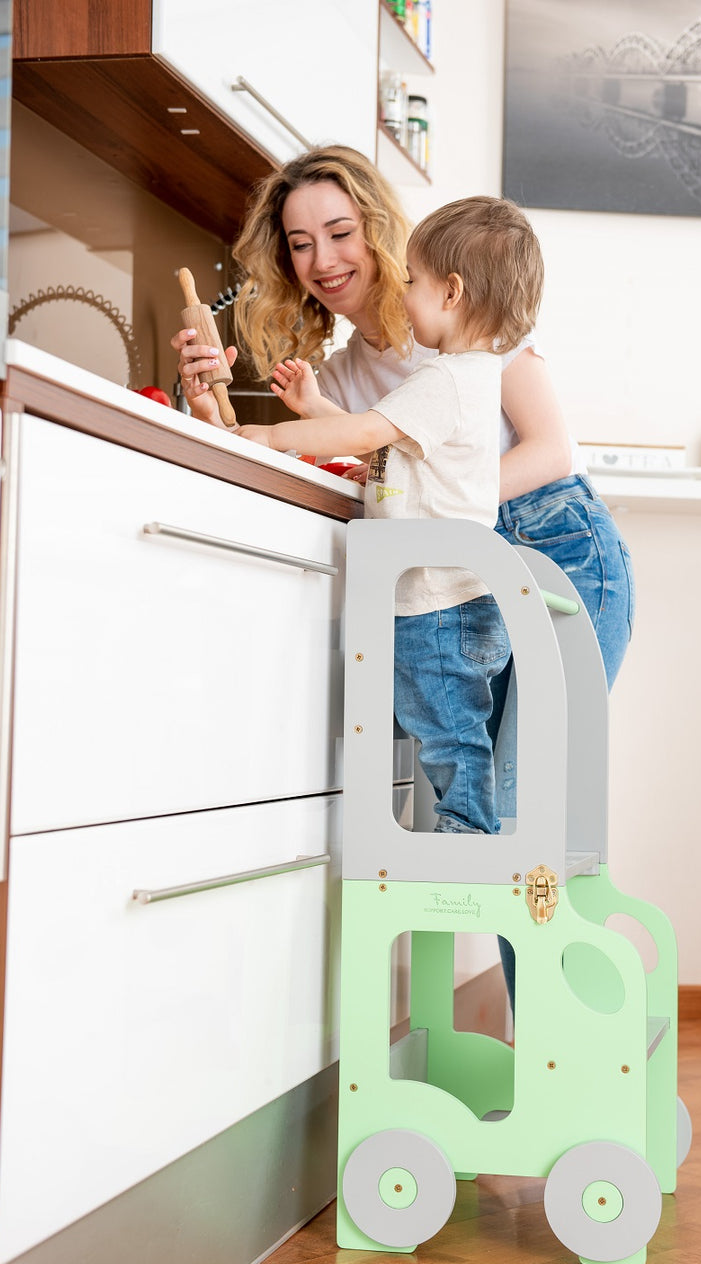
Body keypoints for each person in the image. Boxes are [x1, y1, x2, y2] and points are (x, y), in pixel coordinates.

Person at [171, 146, 634, 1001]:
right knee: (501, 806)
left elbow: (550, 449)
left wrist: (444, 505)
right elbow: (345, 463)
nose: (322, 259)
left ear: (380, 232)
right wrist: (211, 407)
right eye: (299, 244)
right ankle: (548, 1032)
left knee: (525, 798)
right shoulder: (346, 376)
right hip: (465, 578)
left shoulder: (471, 321)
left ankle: (565, 1029)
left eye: (339, 231)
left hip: (558, 551)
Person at [234, 195, 541, 836]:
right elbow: (385, 440)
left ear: (450, 293)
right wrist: (316, 406)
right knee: (449, 727)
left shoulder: (445, 378)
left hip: (438, 604)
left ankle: (467, 836)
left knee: (449, 736)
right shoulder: (468, 377)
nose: (401, 293)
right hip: (456, 599)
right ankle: (463, 831)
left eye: (411, 281)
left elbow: (369, 431)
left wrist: (274, 435)